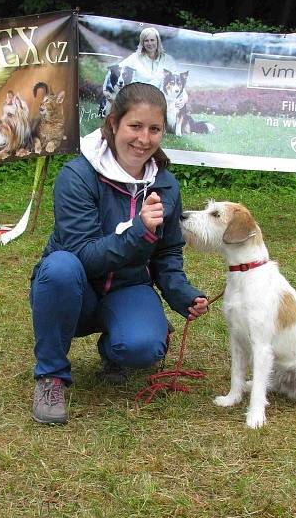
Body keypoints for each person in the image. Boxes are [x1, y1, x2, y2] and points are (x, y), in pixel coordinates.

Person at [29, 82, 209, 425]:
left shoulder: (165, 184)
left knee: (143, 346)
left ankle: (117, 347)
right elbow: (82, 255)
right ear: (113, 124)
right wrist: (139, 234)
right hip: (73, 290)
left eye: (154, 129)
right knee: (60, 268)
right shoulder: (77, 175)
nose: (144, 138)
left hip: (127, 287)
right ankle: (50, 376)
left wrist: (182, 294)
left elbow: (168, 253)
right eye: (135, 126)